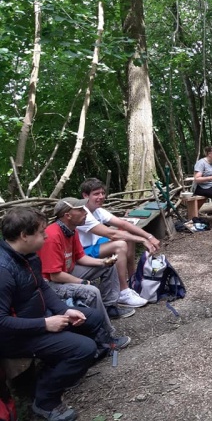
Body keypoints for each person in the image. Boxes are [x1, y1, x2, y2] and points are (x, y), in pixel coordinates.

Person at [0, 208, 104, 421]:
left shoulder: (28, 256)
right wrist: (45, 324)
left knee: (92, 317)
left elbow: (42, 288)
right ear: (24, 235)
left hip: (38, 320)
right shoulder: (3, 270)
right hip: (15, 336)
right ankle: (45, 399)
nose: (46, 235)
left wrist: (65, 310)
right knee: (84, 349)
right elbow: (1, 322)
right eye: (40, 231)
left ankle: (63, 371)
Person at [39, 198, 135, 332]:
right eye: (80, 210)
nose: (85, 212)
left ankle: (109, 306)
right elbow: (55, 275)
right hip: (51, 283)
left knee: (108, 267)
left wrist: (103, 262)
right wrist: (82, 282)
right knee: (92, 291)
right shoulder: (52, 236)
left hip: (66, 273)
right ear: (68, 215)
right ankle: (106, 334)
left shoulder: (72, 230)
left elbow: (81, 257)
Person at [77, 178, 160, 307]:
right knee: (120, 244)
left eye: (102, 193)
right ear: (85, 195)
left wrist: (149, 236)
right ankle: (123, 292)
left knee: (127, 237)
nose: (101, 197)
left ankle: (132, 280)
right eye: (96, 194)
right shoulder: (83, 214)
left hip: (95, 244)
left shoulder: (97, 210)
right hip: (83, 250)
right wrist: (143, 240)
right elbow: (111, 233)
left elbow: (123, 223)